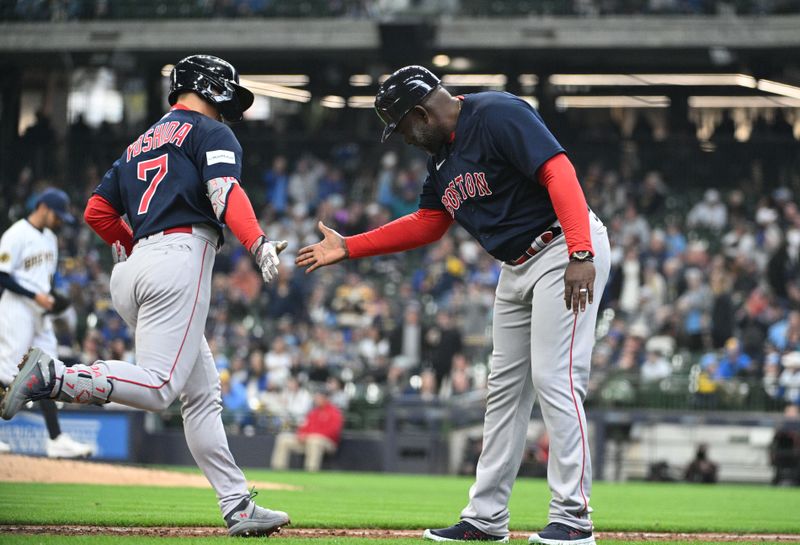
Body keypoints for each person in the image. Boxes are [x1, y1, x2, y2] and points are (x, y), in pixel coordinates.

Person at [296, 65, 610, 544]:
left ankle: (573, 517)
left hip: (562, 248)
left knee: (556, 377)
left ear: (421, 113)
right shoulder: (441, 158)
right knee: (503, 390)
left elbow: (557, 171)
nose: (403, 138)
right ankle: (485, 519)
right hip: (516, 264)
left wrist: (580, 251)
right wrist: (351, 246)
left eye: (402, 128)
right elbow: (428, 222)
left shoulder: (497, 113)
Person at [0, 55, 289, 537]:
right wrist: (257, 242)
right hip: (181, 257)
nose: (229, 112)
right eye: (227, 99)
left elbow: (96, 211)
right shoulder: (211, 133)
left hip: (131, 269)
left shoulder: (138, 144)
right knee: (159, 388)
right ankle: (55, 378)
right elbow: (223, 191)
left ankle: (237, 504)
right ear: (210, 88)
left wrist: (137, 248)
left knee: (201, 396)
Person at [0, 188, 94, 458]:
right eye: (57, 215)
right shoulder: (16, 234)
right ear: (43, 207)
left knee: (50, 371)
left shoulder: (51, 239)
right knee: (7, 370)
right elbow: (2, 276)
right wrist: (35, 296)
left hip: (40, 312)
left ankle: (56, 440)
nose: (60, 221)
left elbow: (45, 282)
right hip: (16, 307)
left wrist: (54, 300)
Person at [270, 387, 343, 472]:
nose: (316, 399)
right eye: (316, 397)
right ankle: (278, 470)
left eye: (319, 397)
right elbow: (303, 427)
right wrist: (301, 435)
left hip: (327, 443)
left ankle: (311, 472)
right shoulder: (313, 412)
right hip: (307, 440)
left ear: (326, 398)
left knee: (314, 441)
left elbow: (333, 431)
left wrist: (310, 435)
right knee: (283, 439)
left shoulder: (334, 412)